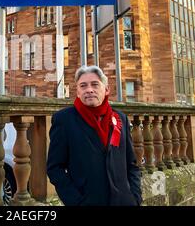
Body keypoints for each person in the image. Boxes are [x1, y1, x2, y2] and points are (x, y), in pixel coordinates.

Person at [47, 65, 142, 206]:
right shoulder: (64, 120)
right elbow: (55, 168)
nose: (89, 89)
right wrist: (76, 201)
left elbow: (131, 164)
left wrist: (135, 197)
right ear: (78, 92)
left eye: (95, 84)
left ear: (106, 89)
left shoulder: (120, 118)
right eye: (83, 86)